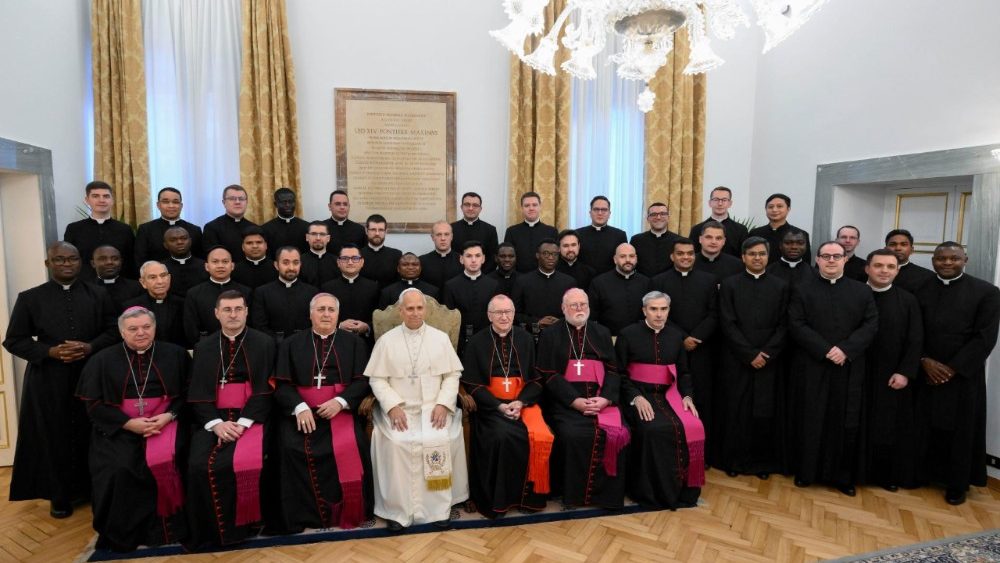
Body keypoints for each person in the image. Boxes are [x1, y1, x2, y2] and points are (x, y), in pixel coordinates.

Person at [2, 242, 118, 518]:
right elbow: (13, 340)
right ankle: (60, 495)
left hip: (90, 374)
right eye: (60, 260)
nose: (66, 264)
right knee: (54, 436)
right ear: (48, 264)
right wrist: (49, 351)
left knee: (91, 432)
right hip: (48, 379)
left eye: (72, 259)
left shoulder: (98, 294)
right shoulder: (30, 298)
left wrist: (89, 347)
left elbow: (114, 330)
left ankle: (93, 489)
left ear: (81, 262)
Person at [76, 306, 188, 551]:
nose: (141, 333)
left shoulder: (176, 354)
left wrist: (169, 415)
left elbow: (188, 394)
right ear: (122, 332)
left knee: (176, 458)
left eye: (146, 327)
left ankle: (170, 529)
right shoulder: (102, 360)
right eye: (133, 329)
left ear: (155, 328)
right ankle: (126, 532)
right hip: (120, 426)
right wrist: (128, 424)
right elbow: (93, 404)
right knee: (119, 468)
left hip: (166, 423)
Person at [365, 289, 469, 530]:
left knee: (438, 437)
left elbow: (452, 374)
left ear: (426, 310)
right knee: (396, 442)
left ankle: (438, 510)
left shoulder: (440, 338)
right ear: (401, 311)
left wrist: (443, 403)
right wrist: (391, 407)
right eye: (409, 308)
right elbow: (377, 380)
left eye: (419, 308)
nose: (415, 313)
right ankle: (396, 510)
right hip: (400, 411)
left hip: (434, 409)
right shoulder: (386, 341)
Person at [272, 293, 373, 532]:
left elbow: (363, 381)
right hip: (302, 412)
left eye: (331, 310)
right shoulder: (291, 343)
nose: (326, 314)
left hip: (340, 412)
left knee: (354, 444)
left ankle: (348, 511)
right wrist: (299, 407)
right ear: (310, 314)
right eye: (321, 309)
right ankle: (302, 515)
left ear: (338, 314)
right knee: (288, 447)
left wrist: (340, 402)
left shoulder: (355, 344)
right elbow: (282, 384)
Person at [186, 291, 275, 548]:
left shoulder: (264, 343)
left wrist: (244, 422)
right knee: (198, 465)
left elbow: (265, 389)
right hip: (214, 418)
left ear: (246, 311)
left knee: (246, 462)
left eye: (238, 309)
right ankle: (209, 529)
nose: (233, 315)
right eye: (227, 310)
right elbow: (198, 392)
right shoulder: (204, 347)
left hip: (252, 417)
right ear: (217, 313)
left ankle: (246, 525)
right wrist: (216, 424)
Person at [788, 241, 878, 496]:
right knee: (811, 419)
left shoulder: (862, 291)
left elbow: (870, 324)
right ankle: (807, 473)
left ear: (845, 260)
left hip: (848, 367)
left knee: (844, 422)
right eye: (825, 256)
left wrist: (845, 350)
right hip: (812, 364)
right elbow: (796, 323)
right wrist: (825, 350)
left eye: (836, 256)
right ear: (816, 259)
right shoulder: (802, 289)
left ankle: (842, 477)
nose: (831, 261)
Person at [915, 242, 1000, 505]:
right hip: (924, 371)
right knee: (922, 426)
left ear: (966, 259)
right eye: (941, 259)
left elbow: (985, 337)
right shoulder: (919, 288)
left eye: (954, 258)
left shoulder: (986, 292)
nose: (947, 263)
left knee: (960, 430)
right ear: (933, 260)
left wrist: (952, 368)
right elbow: (912, 329)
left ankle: (956, 484)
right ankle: (923, 474)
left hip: (962, 375)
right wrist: (924, 360)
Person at [536, 288, 628, 509]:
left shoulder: (601, 332)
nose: (579, 309)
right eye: (574, 305)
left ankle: (607, 497)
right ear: (563, 308)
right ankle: (574, 496)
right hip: (565, 404)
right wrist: (574, 402)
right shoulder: (551, 334)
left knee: (620, 434)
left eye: (583, 305)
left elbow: (614, 370)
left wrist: (605, 398)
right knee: (572, 435)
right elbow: (548, 374)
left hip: (600, 401)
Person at [461, 295, 553, 518]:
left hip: (522, 403)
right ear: (489, 315)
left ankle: (528, 500)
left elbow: (534, 379)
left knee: (540, 434)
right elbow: (472, 383)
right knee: (501, 436)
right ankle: (499, 500)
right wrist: (498, 406)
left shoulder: (525, 339)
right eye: (499, 312)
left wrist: (520, 402)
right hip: (490, 407)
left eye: (508, 312)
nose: (504, 317)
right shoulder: (477, 342)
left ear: (514, 313)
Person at [615, 291, 703, 508]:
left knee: (694, 424)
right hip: (639, 396)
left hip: (670, 396)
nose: (659, 314)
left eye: (663, 309)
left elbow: (683, 373)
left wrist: (688, 396)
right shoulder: (628, 334)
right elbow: (618, 373)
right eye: (653, 309)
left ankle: (683, 490)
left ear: (669, 311)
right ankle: (649, 492)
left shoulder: (675, 336)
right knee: (652, 429)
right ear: (644, 310)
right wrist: (635, 397)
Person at [717, 237, 789, 478]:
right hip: (737, 359)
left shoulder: (781, 286)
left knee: (764, 412)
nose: (757, 258)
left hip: (769, 361)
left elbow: (784, 324)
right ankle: (734, 461)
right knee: (736, 410)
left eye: (761, 254)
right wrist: (749, 354)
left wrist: (765, 354)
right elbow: (727, 322)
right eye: (752, 254)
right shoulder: (729, 284)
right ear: (743, 257)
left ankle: (762, 463)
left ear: (768, 257)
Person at [651, 238, 719, 462]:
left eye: (690, 253)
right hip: (670, 348)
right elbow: (657, 314)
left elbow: (714, 313)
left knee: (702, 397)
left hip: (702, 348)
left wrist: (696, 337)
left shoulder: (709, 281)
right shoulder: (658, 280)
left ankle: (701, 453)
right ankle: (673, 450)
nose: (685, 257)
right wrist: (682, 338)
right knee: (671, 397)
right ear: (672, 256)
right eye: (680, 253)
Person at [863, 249, 922, 491]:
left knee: (886, 427)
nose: (884, 271)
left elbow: (915, 339)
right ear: (867, 268)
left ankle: (884, 475)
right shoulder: (853, 292)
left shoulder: (908, 300)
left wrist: (905, 372)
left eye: (890, 267)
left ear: (897, 271)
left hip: (891, 375)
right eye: (878, 266)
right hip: (856, 372)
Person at [64, 181, 136, 279]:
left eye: (106, 196)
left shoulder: (125, 229)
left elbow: (131, 260)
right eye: (95, 196)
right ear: (87, 200)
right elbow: (70, 260)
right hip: (85, 285)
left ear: (112, 200)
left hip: (119, 284)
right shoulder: (74, 229)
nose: (101, 200)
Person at [183, 247, 251, 345]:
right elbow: (190, 326)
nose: (220, 266)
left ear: (232, 266)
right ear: (207, 266)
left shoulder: (245, 291)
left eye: (225, 261)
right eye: (215, 262)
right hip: (206, 346)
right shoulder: (194, 293)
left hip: (241, 344)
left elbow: (250, 323)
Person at [443, 240, 500, 354]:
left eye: (477, 256)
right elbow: (448, 319)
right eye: (469, 256)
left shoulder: (493, 285)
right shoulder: (450, 286)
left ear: (483, 259)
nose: (473, 260)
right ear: (461, 259)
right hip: (460, 344)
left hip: (487, 341)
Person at [251, 247, 318, 342]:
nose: (291, 267)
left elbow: (315, 323)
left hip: (304, 345)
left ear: (300, 264)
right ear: (276, 265)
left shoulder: (312, 292)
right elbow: (259, 325)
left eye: (295, 262)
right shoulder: (262, 292)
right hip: (273, 347)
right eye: (286, 263)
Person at [510, 239, 576, 338]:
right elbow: (514, 312)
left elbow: (575, 311)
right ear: (537, 255)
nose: (550, 257)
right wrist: (537, 322)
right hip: (531, 336)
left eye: (554, 254)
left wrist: (560, 322)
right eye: (546, 253)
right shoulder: (522, 281)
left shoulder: (569, 282)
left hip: (562, 335)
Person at [588, 243, 651, 336]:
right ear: (615, 259)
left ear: (636, 259)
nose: (628, 260)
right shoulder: (599, 283)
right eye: (622, 256)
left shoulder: (647, 282)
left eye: (631, 256)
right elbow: (592, 317)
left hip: (641, 339)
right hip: (610, 339)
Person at [322, 244, 380, 342]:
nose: (350, 262)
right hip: (336, 341)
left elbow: (379, 317)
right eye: (345, 258)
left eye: (355, 258)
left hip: (366, 343)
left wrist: (366, 326)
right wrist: (339, 326)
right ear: (338, 262)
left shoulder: (374, 287)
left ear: (362, 262)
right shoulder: (327, 288)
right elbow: (322, 316)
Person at [123, 261, 187, 348]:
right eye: (153, 277)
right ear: (143, 282)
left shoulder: (183, 304)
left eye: (163, 275)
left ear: (169, 278)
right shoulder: (131, 307)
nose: (160, 281)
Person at [135, 187, 204, 265]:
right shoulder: (146, 230)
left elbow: (200, 259)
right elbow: (140, 260)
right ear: (158, 205)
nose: (171, 206)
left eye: (175, 202)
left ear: (181, 205)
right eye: (166, 202)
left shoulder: (195, 230)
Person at [747, 193, 811, 265]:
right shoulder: (755, 233)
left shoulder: (801, 234)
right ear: (766, 209)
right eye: (770, 207)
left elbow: (806, 262)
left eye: (779, 206)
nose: (774, 210)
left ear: (788, 209)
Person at [504, 191, 558, 272]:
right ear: (522, 208)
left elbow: (555, 258)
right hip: (519, 278)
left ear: (540, 207)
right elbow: (508, 258)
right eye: (527, 205)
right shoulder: (511, 231)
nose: (531, 208)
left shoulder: (551, 231)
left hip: (544, 278)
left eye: (535, 205)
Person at [203, 184, 259, 260]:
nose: (237, 202)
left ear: (246, 202)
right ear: (224, 202)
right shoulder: (212, 228)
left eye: (241, 199)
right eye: (232, 199)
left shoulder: (255, 228)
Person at [689, 186, 748, 257]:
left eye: (724, 200)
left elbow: (744, 257)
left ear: (730, 203)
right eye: (716, 199)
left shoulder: (741, 230)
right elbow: (691, 255)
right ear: (710, 203)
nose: (720, 203)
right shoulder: (697, 229)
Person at [575, 196, 627, 274]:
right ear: (590, 213)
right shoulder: (577, 234)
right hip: (582, 280)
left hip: (609, 281)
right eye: (596, 209)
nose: (600, 213)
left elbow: (623, 260)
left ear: (609, 214)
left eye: (604, 210)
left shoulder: (620, 235)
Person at [451, 191, 500, 272]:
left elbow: (493, 258)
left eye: (475, 205)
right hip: (456, 276)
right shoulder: (451, 228)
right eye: (467, 204)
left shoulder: (490, 230)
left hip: (482, 278)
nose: (471, 208)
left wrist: (481, 276)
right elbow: (450, 256)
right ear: (461, 207)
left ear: (480, 209)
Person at [631, 202, 680, 277]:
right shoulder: (636, 240)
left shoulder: (679, 240)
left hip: (670, 285)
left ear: (668, 217)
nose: (658, 217)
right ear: (648, 218)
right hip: (643, 285)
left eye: (663, 214)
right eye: (654, 214)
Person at [91, 245, 144, 309]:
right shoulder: (86, 289)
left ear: (121, 262)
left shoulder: (136, 288)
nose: (109, 262)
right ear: (93, 263)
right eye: (103, 259)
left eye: (115, 259)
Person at [261, 187, 309, 255]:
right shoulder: (265, 229)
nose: (287, 205)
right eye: (283, 202)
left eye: (291, 201)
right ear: (275, 204)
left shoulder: (306, 227)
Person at [163, 226, 208, 298]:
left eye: (183, 238)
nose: (179, 242)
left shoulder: (205, 266)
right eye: (173, 240)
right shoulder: (161, 268)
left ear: (190, 241)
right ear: (165, 245)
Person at [360, 214, 403, 289]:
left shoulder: (396, 255)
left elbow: (399, 283)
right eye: (373, 229)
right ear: (366, 231)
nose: (377, 233)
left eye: (381, 230)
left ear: (386, 231)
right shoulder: (358, 254)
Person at [885, 229, 935, 293]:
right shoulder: (873, 271)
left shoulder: (927, 276)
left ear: (912, 250)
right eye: (893, 244)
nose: (898, 248)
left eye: (903, 244)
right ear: (885, 249)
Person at [419, 221, 462, 292]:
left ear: (451, 237)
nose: (443, 238)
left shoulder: (462, 260)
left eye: (446, 234)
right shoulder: (422, 261)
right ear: (432, 237)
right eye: (439, 234)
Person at [323, 189, 367, 254]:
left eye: (345, 204)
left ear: (349, 206)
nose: (342, 207)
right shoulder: (322, 228)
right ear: (329, 207)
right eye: (338, 204)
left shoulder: (359, 230)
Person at [300, 221, 340, 287]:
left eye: (322, 234)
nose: (318, 238)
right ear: (307, 237)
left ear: (328, 238)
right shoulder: (299, 262)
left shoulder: (337, 262)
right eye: (313, 234)